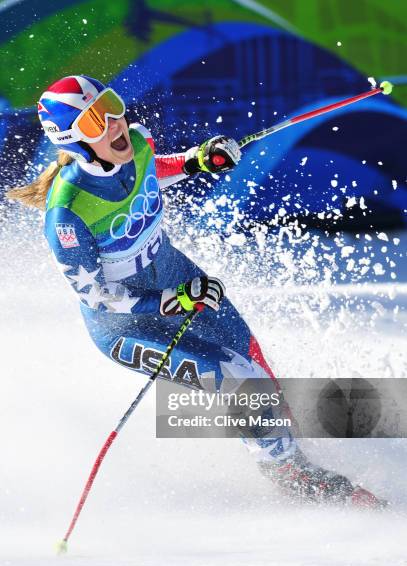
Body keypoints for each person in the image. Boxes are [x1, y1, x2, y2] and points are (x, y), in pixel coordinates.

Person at [7, 74, 384, 508]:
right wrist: (169, 302)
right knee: (238, 379)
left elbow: (154, 168)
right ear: (74, 140)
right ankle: (291, 475)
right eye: (96, 120)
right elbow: (96, 296)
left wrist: (198, 160)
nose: (114, 122)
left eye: (111, 104)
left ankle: (279, 441)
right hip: (128, 324)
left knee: (252, 359)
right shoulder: (67, 215)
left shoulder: (137, 142)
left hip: (174, 275)